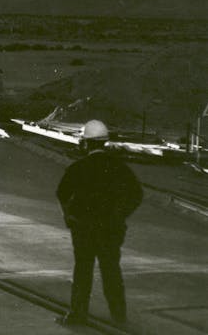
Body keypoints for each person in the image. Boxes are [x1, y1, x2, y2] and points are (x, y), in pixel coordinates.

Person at [55, 119, 143, 327]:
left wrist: (70, 217)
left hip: (84, 229)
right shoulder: (119, 167)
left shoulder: (78, 167)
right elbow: (136, 194)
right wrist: (120, 215)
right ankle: (119, 317)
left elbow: (62, 194)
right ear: (104, 142)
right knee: (111, 270)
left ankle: (77, 315)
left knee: (83, 271)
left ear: (85, 143)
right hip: (111, 229)